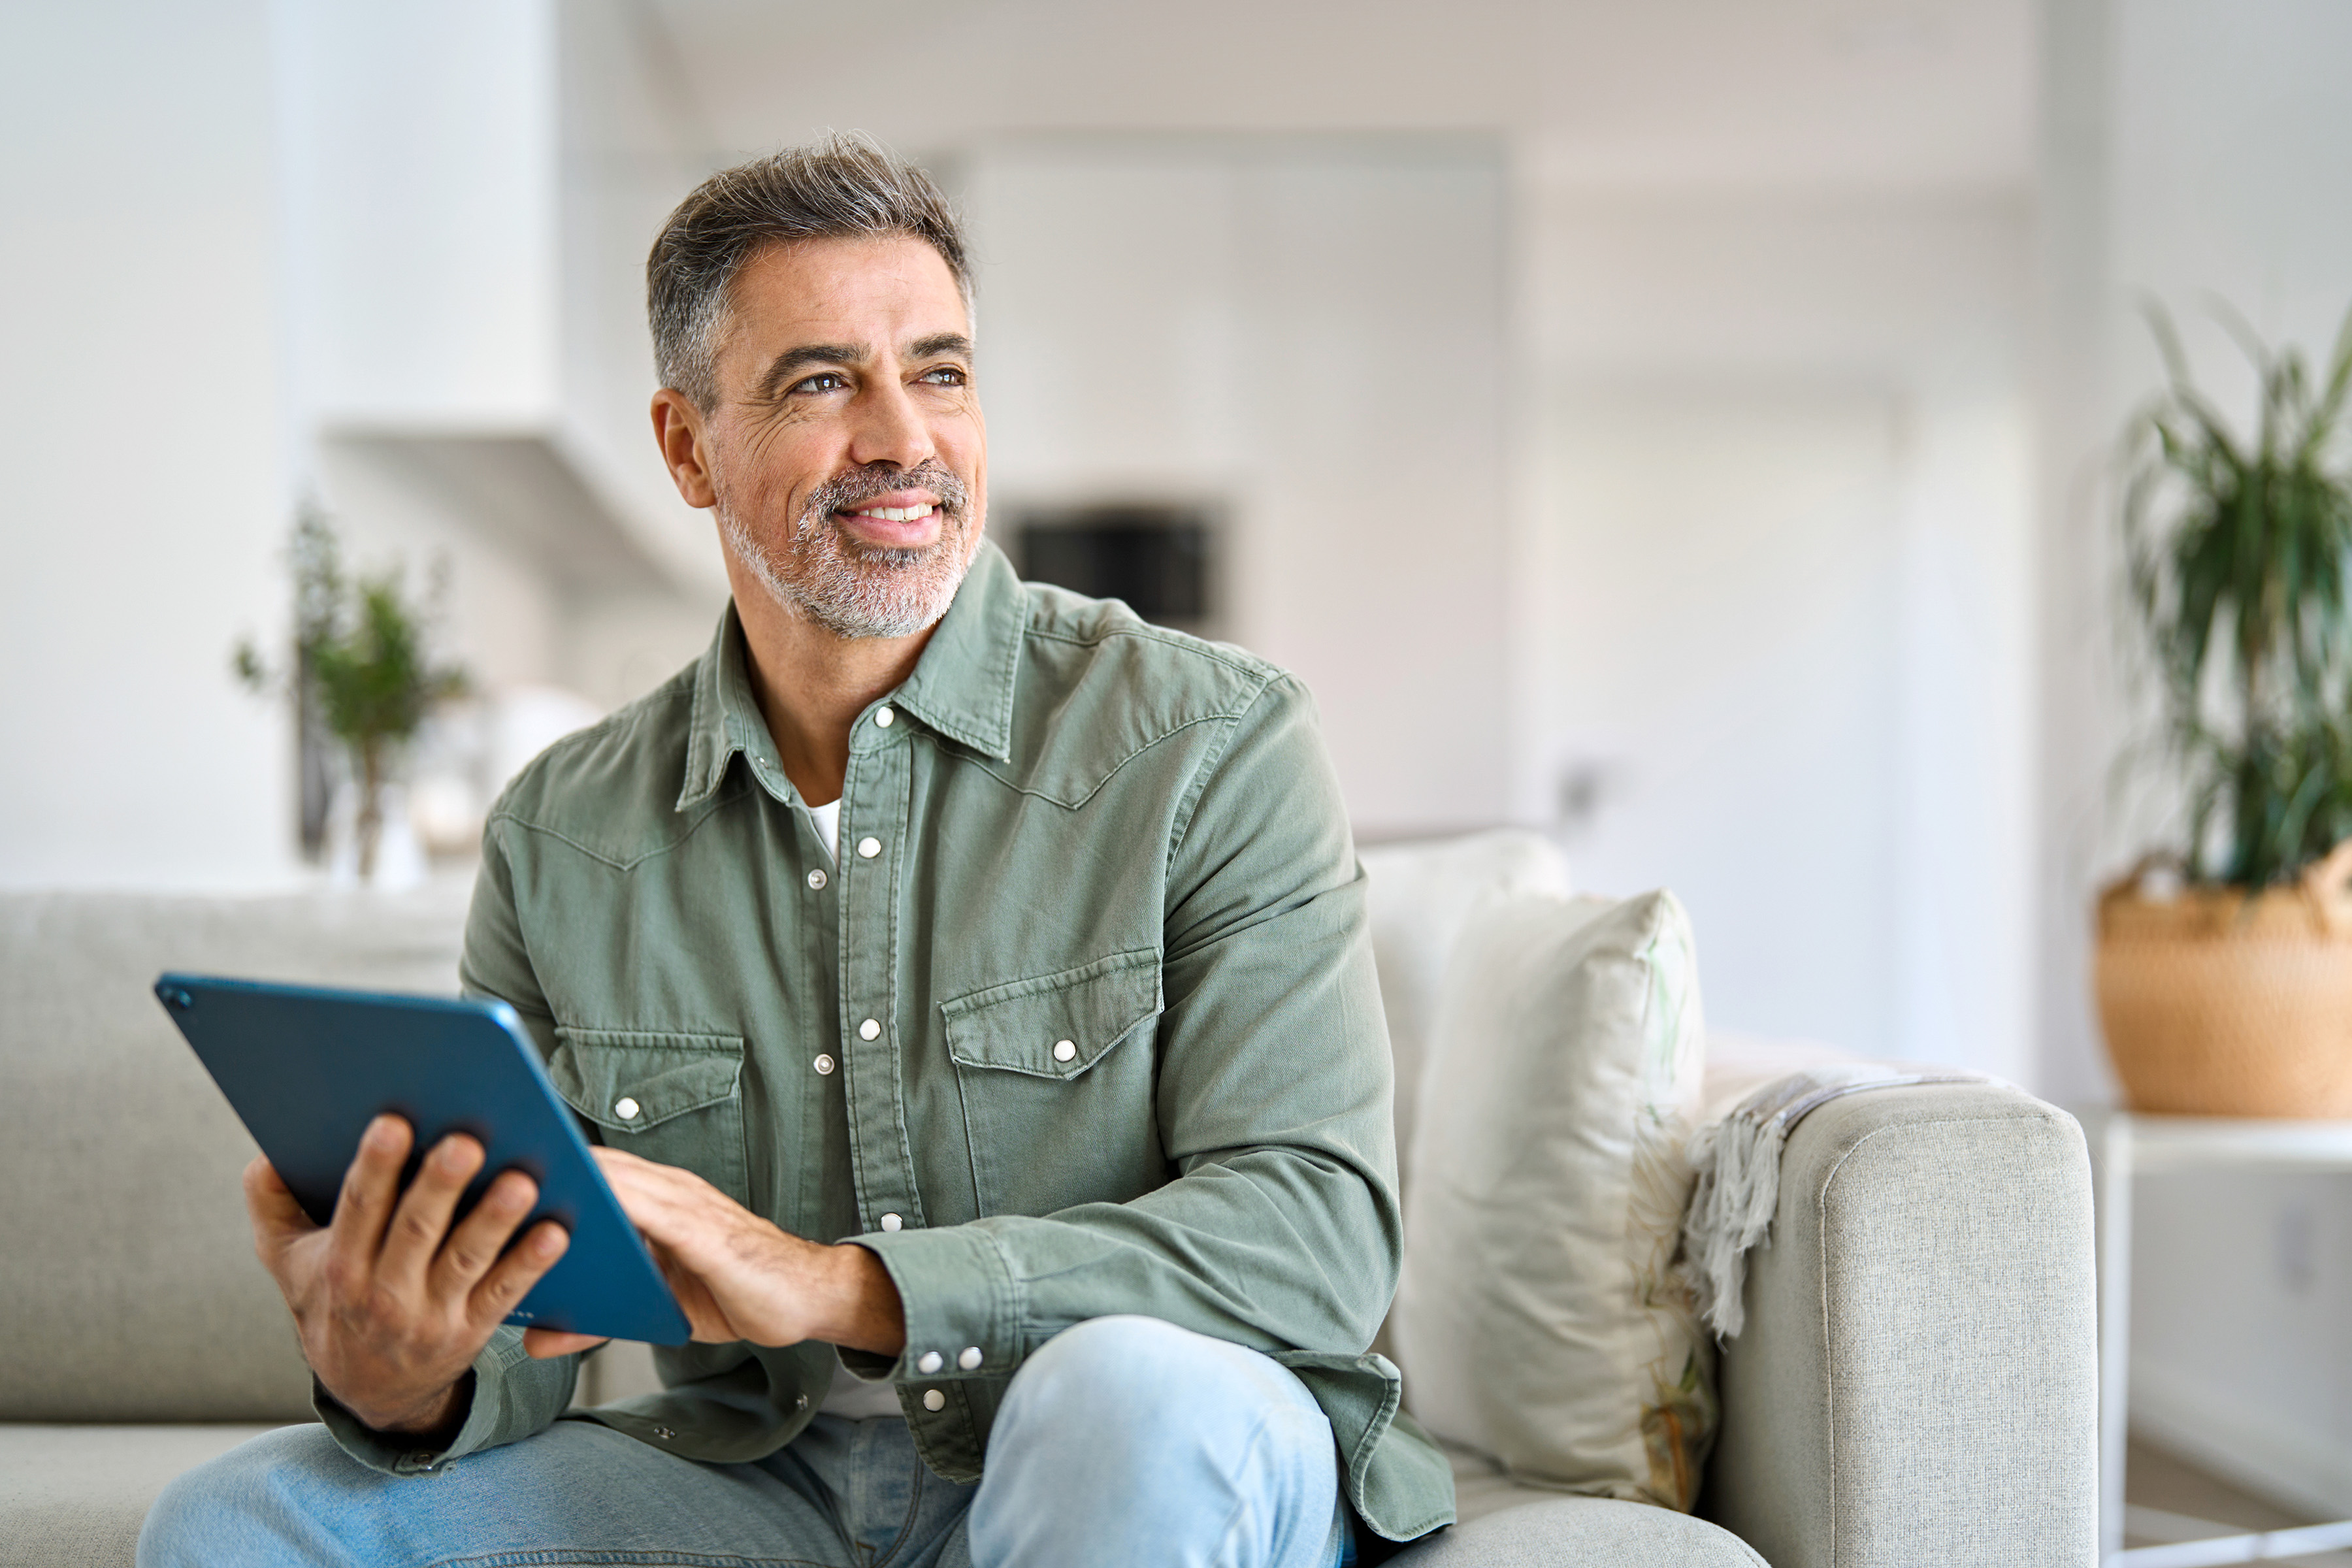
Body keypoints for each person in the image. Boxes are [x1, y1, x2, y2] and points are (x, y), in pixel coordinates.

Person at [140, 135, 1452, 1568]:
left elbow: (1314, 1237)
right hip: (760, 1487)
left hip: (1133, 1452)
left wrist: (838, 1286)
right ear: (687, 448)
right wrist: (408, 1375)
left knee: (1121, 1398)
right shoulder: (561, 835)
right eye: (824, 382)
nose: (903, 438)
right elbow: (534, 1316)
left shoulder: (1212, 741)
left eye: (940, 373)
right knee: (239, 1523)